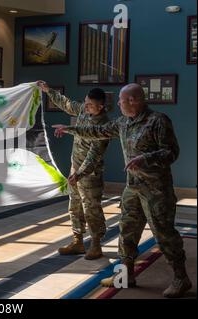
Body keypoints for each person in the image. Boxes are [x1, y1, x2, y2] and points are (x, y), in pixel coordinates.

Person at [52, 83, 191, 298]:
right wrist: (70, 129)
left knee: (164, 234)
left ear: (133, 101)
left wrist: (145, 159)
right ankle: (125, 276)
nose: (117, 104)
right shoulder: (123, 122)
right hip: (132, 188)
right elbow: (97, 131)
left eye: (121, 100)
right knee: (126, 231)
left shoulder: (158, 121)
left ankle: (181, 279)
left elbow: (172, 152)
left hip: (156, 191)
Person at [37, 81, 110, 260]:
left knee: (91, 208)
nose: (85, 106)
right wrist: (48, 90)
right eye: (85, 102)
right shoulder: (84, 111)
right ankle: (77, 241)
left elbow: (94, 155)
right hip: (75, 170)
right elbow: (67, 104)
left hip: (89, 174)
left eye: (90, 105)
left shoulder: (104, 126)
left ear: (100, 107)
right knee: (75, 205)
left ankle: (95, 244)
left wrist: (79, 174)